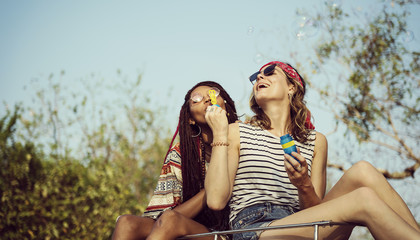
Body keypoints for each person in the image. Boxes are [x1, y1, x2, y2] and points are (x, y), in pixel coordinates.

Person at [204, 61, 420, 240]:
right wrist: (220, 134)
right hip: (255, 228)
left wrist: (303, 184)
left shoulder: (316, 141)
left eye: (269, 72)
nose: (260, 78)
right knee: (363, 199)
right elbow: (215, 200)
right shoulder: (236, 131)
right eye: (256, 76)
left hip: (304, 226)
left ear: (292, 87)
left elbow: (313, 211)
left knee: (363, 171)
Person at [112, 81, 239, 240]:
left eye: (213, 94)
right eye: (197, 99)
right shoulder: (182, 154)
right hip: (191, 229)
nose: (207, 99)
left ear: (226, 106)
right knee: (126, 222)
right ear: (190, 119)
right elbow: (164, 218)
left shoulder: (244, 137)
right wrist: (212, 188)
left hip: (231, 232)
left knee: (170, 220)